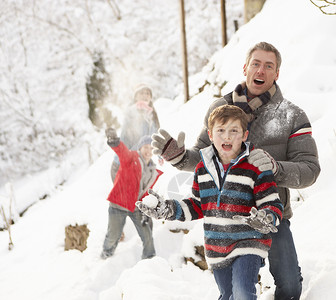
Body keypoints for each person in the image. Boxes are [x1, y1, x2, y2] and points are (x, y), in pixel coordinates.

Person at [150, 42, 321, 299]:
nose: (261, 70)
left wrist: (276, 168)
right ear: (245, 68)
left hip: (270, 215)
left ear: (277, 74)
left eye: (269, 65)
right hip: (228, 218)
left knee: (290, 287)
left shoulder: (292, 116)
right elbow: (203, 157)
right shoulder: (221, 109)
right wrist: (180, 157)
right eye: (256, 63)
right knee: (234, 292)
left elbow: (310, 170)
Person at [137, 105, 284, 299]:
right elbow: (198, 205)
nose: (227, 137)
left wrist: (268, 217)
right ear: (211, 135)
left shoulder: (256, 166)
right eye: (221, 131)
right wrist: (168, 209)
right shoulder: (202, 168)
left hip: (248, 243)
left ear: (245, 135)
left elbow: (272, 203)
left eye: (234, 131)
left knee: (243, 293)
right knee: (227, 294)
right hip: (217, 246)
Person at [101, 128, 163, 260]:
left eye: (151, 148)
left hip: (136, 207)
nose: (148, 151)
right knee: (113, 236)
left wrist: (147, 211)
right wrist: (115, 142)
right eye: (145, 147)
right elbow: (122, 152)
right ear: (140, 148)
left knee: (147, 235)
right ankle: (106, 255)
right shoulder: (131, 158)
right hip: (119, 204)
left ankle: (150, 260)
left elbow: (147, 192)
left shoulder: (153, 171)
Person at [110, 84, 160, 181]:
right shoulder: (131, 113)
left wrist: (159, 154)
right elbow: (124, 139)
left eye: (147, 93)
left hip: (141, 165)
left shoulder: (152, 115)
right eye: (141, 93)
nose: (145, 95)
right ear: (136, 97)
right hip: (123, 165)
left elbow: (154, 138)